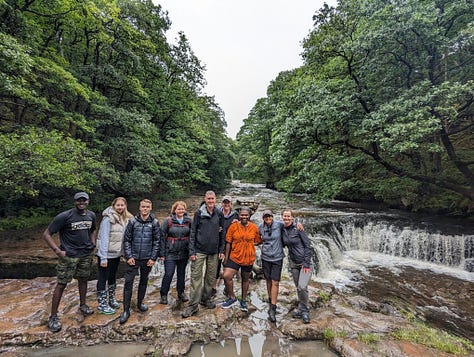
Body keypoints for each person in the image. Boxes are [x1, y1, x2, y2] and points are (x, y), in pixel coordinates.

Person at [43, 192, 97, 333]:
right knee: (61, 284)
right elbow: (47, 234)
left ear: (88, 201)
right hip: (69, 256)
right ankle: (53, 317)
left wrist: (93, 243)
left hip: (85, 254)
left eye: (84, 200)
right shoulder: (64, 216)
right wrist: (57, 251)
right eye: (79, 200)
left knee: (83, 279)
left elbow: (92, 230)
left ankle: (83, 305)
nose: (81, 203)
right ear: (75, 202)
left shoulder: (91, 215)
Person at [182, 191, 225, 318]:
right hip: (199, 250)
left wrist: (221, 250)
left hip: (214, 251)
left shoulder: (219, 213)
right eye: (209, 199)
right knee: (196, 278)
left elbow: (222, 233)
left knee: (210, 277)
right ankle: (193, 306)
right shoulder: (199, 213)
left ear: (215, 199)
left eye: (213, 199)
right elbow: (193, 232)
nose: (211, 201)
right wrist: (192, 251)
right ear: (205, 199)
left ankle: (205, 299)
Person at [119, 199, 160, 324]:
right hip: (133, 258)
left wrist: (153, 258)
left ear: (150, 208)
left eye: (147, 207)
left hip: (147, 258)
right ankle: (126, 310)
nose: (145, 209)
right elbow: (126, 240)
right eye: (143, 207)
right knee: (128, 283)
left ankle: (140, 303)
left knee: (144, 281)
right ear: (140, 207)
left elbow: (157, 241)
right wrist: (129, 256)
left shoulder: (154, 223)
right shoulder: (132, 222)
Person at [96, 197, 133, 314]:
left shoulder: (125, 218)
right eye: (118, 205)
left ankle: (111, 299)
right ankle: (102, 304)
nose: (120, 207)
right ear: (113, 206)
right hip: (106, 254)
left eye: (122, 205)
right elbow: (104, 238)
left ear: (125, 206)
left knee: (112, 276)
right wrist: (103, 257)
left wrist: (123, 253)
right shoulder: (108, 219)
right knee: (102, 277)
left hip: (116, 254)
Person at [221, 207, 262, 312]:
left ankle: (243, 300)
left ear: (249, 216)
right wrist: (226, 257)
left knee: (245, 279)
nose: (244, 217)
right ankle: (232, 297)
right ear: (239, 215)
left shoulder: (254, 227)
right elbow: (228, 242)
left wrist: (250, 245)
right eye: (242, 215)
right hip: (234, 256)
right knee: (226, 275)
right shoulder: (233, 226)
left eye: (246, 215)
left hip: (248, 258)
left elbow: (258, 240)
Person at [281, 208, 313, 324]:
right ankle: (301, 307)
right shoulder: (282, 229)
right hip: (293, 263)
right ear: (282, 217)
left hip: (304, 263)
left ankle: (305, 311)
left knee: (302, 287)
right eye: (285, 216)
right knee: (299, 287)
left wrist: (306, 263)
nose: (286, 218)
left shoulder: (298, 229)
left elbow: (308, 246)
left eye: (288, 216)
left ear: (292, 217)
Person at [158, 201, 192, 305]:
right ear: (174, 210)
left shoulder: (189, 221)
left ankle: (181, 293)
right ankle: (163, 294)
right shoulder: (168, 221)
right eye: (178, 209)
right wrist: (162, 253)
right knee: (169, 274)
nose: (181, 211)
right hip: (170, 252)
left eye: (182, 209)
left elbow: (193, 236)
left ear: (185, 210)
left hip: (183, 252)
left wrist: (191, 252)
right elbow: (162, 237)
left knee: (181, 274)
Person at [213, 195, 239, 296]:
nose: (226, 204)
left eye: (228, 203)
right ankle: (213, 287)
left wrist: (238, 223)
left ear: (231, 204)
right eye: (225, 202)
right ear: (222, 203)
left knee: (227, 266)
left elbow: (242, 226)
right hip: (217, 242)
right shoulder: (217, 213)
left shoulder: (235, 215)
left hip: (230, 245)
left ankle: (226, 287)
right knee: (216, 266)